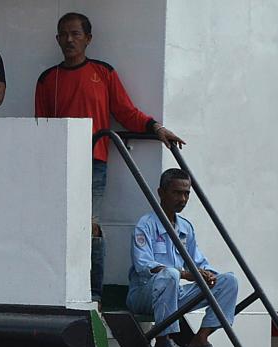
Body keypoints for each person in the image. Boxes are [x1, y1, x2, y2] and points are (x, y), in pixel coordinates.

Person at [35, 11, 185, 301]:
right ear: (57, 39)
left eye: (75, 34)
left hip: (94, 161)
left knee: (89, 224)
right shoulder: (47, 79)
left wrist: (156, 128)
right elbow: (41, 126)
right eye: (63, 34)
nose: (69, 40)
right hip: (56, 163)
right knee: (55, 223)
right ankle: (54, 287)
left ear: (88, 39)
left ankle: (94, 292)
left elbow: (125, 111)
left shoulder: (103, 73)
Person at [128, 168, 239, 347]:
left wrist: (208, 274)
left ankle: (200, 340)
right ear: (161, 193)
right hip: (144, 295)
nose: (183, 199)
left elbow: (198, 261)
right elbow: (144, 266)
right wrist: (185, 274)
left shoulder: (186, 227)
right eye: (177, 193)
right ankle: (163, 339)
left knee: (229, 281)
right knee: (170, 274)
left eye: (186, 193)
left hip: (173, 295)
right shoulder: (145, 225)